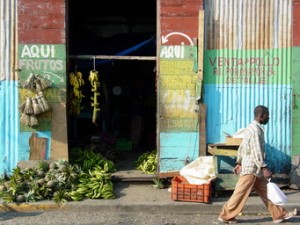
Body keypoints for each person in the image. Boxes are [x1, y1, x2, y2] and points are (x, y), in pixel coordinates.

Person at [218, 105, 297, 224]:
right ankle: (225, 216)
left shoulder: (250, 128)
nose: (269, 118)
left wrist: (239, 162)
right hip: (252, 169)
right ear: (261, 116)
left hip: (255, 170)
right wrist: (264, 166)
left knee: (266, 192)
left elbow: (242, 147)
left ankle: (279, 214)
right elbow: (256, 151)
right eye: (267, 116)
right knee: (239, 193)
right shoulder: (255, 130)